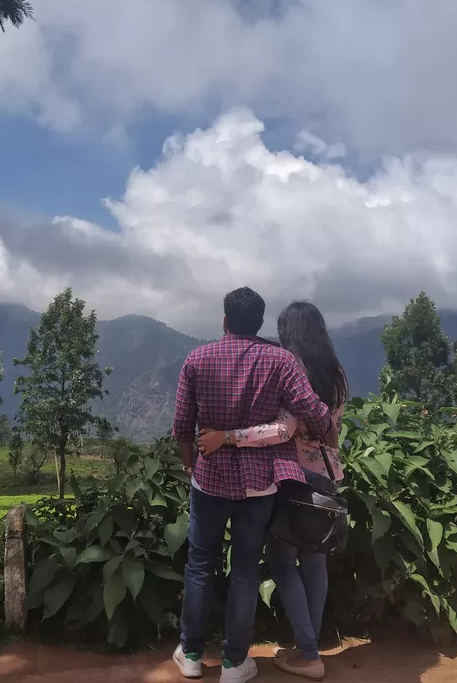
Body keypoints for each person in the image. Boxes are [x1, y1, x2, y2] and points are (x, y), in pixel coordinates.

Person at [172, 289, 339, 683]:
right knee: (245, 569)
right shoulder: (280, 361)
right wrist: (329, 434)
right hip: (259, 486)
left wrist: (189, 464)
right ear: (260, 323)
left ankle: (192, 654)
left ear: (225, 320)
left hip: (209, 481)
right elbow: (315, 414)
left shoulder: (197, 358)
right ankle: (234, 663)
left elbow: (182, 424)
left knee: (199, 565)